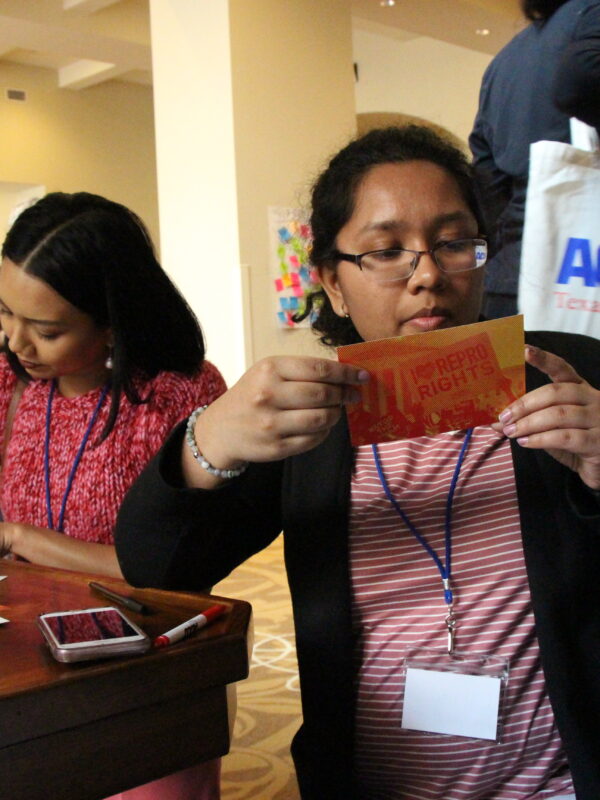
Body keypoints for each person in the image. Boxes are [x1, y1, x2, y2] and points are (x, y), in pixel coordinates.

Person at [115, 126, 600, 800]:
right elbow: (155, 566)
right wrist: (210, 440)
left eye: (454, 241)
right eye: (385, 251)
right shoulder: (310, 422)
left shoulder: (570, 377)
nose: (427, 273)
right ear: (332, 285)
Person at [0, 191, 226, 799]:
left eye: (46, 330)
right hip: (27, 664)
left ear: (112, 322)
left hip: (145, 668)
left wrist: (20, 538)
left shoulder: (179, 395)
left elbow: (175, 569)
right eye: (4, 313)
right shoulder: (8, 380)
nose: (16, 343)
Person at [469, 0, 600, 320]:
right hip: (580, 284)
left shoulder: (505, 61)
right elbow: (579, 78)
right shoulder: (593, 13)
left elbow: (485, 181)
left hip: (509, 283)